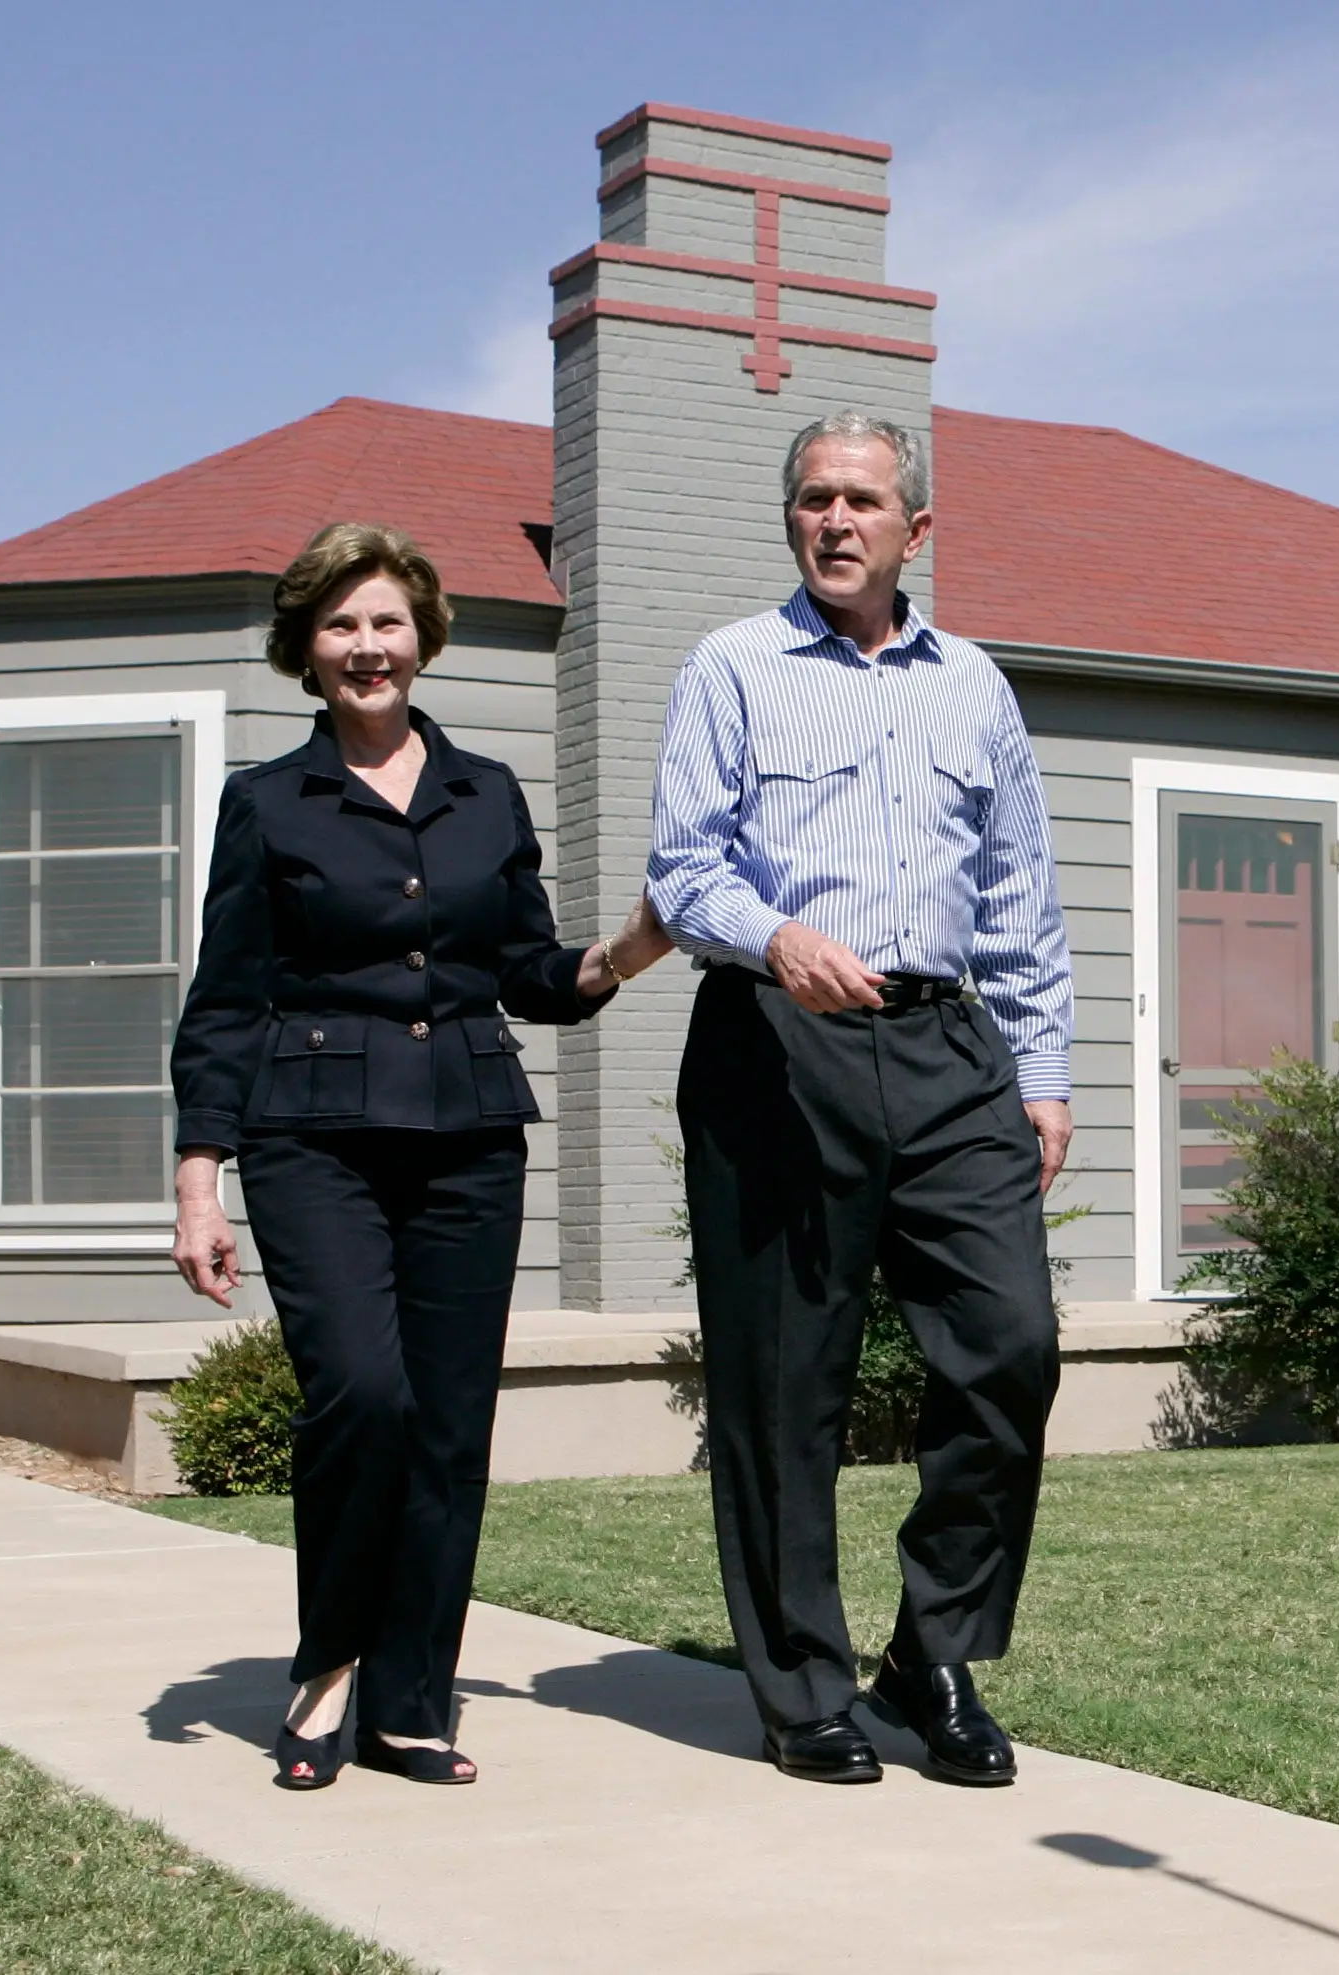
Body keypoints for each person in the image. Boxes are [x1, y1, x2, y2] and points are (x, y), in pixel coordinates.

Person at [169, 522, 672, 1791]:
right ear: (307, 648)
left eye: (385, 621)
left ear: (422, 636)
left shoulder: (486, 792)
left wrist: (621, 953)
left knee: (447, 1427)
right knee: (364, 1396)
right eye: (340, 624)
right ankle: (326, 1665)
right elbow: (226, 998)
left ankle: (408, 1703)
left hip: (467, 1139)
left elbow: (523, 971)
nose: (366, 646)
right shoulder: (268, 800)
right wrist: (198, 1176)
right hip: (311, 1138)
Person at [648, 409, 1075, 1787]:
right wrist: (776, 937)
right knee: (787, 1387)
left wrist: (1044, 1076)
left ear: (916, 529)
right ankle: (802, 1685)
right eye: (816, 499)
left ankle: (929, 1650)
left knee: (1011, 1345)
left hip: (952, 1048)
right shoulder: (734, 667)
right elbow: (682, 869)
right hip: (776, 1042)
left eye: (864, 500)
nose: (837, 520)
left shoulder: (976, 689)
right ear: (793, 520)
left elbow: (1019, 900)